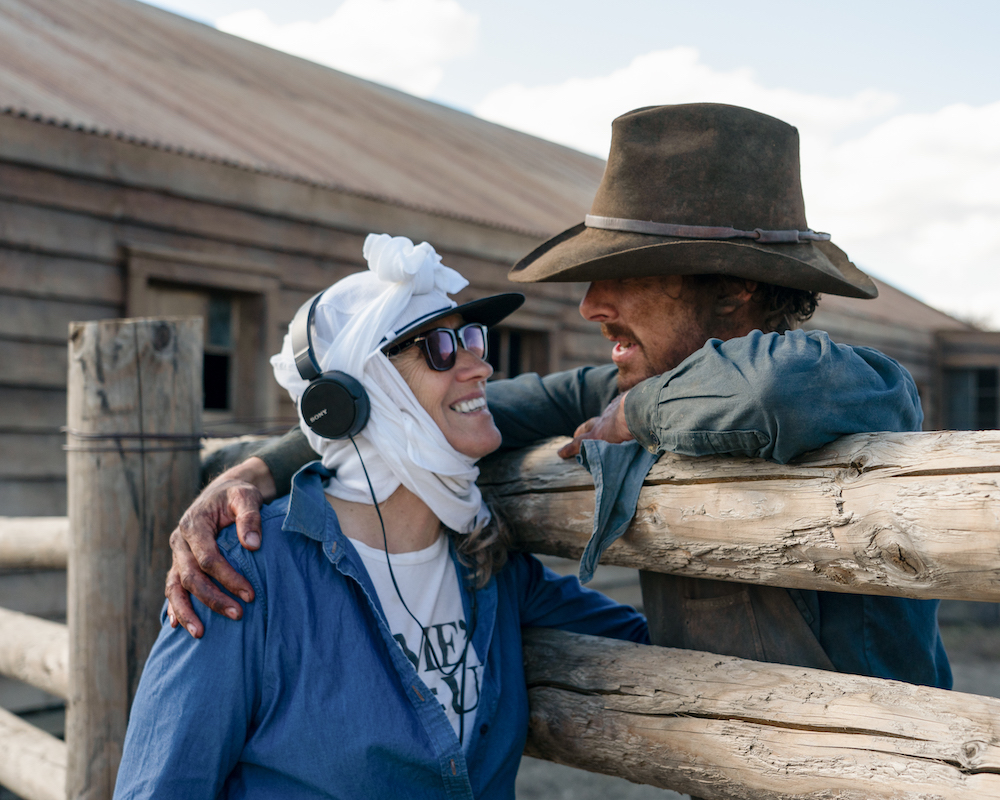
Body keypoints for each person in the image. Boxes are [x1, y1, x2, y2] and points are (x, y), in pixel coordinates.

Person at [167, 103, 951, 689]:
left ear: (735, 288)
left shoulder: (846, 382)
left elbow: (771, 394)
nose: (590, 305)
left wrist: (631, 418)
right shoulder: (625, 383)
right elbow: (439, 411)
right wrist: (257, 473)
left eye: (629, 275)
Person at [114, 235, 647, 799]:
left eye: (473, 339)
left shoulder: (491, 568)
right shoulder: (245, 573)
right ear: (357, 393)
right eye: (441, 347)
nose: (480, 366)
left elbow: (653, 647)